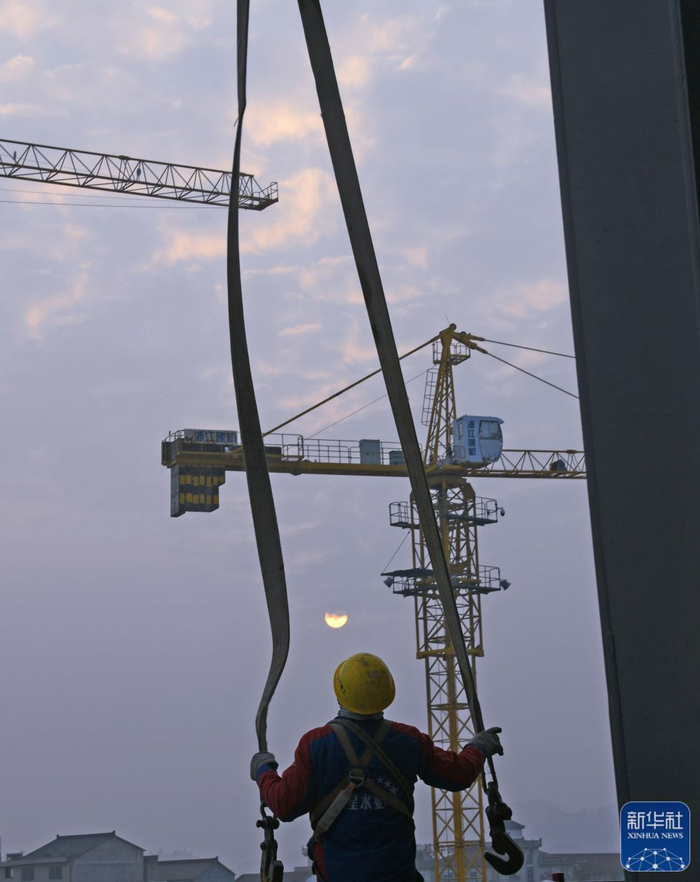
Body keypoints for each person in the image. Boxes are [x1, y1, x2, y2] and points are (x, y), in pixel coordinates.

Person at [250, 652, 504, 882]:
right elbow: (459, 774)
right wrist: (479, 747)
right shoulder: (408, 741)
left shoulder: (317, 744)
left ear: (340, 692)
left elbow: (284, 805)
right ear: (388, 693)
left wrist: (264, 771)